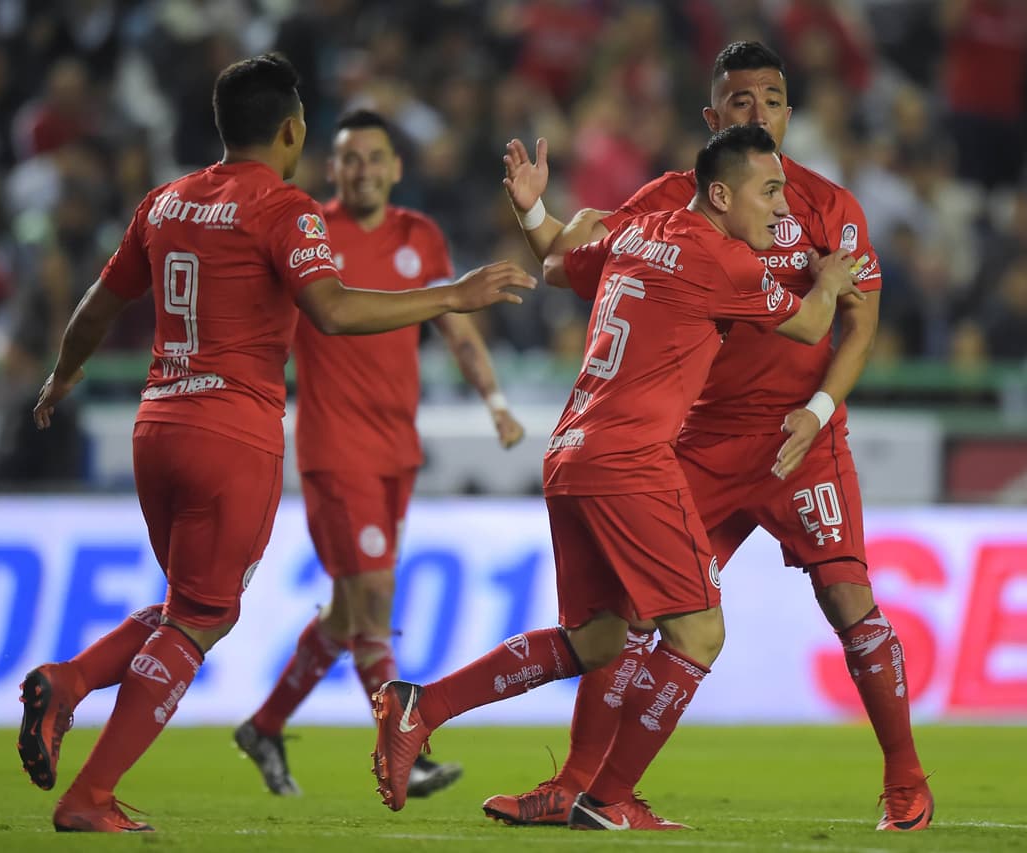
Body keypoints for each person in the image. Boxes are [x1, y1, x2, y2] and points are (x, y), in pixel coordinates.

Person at [14, 53, 533, 833]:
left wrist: (62, 376)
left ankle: (71, 680)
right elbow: (332, 310)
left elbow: (96, 304)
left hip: (157, 424)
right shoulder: (287, 208)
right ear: (292, 131)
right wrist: (452, 295)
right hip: (232, 433)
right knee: (201, 619)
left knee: (190, 604)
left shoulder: (165, 201)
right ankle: (91, 791)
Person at [489, 41, 933, 832]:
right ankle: (579, 785)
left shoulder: (830, 206)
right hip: (698, 441)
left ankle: (906, 782)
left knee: (849, 601)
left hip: (802, 439)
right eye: (740, 100)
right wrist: (533, 213)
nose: (758, 112)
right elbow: (570, 262)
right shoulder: (671, 201)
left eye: (772, 99)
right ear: (712, 116)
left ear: (790, 112)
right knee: (628, 613)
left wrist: (819, 410)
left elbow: (860, 324)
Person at [370, 124, 864, 830]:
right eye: (770, 190)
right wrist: (830, 281)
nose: (783, 207)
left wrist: (531, 210)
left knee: (600, 639)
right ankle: (607, 801)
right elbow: (813, 327)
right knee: (699, 633)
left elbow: (555, 263)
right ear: (722, 196)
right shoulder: (723, 260)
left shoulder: (639, 232)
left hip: (572, 453)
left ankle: (422, 706)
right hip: (632, 459)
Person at [234, 109, 525, 798]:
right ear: (331, 168)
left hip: (398, 448)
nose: (362, 169)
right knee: (373, 596)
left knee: (346, 613)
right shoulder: (307, 231)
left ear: (396, 168)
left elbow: (456, 327)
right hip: (336, 447)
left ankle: (264, 726)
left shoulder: (420, 235)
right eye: (350, 158)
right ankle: (403, 745)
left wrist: (495, 399)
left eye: (374, 157)